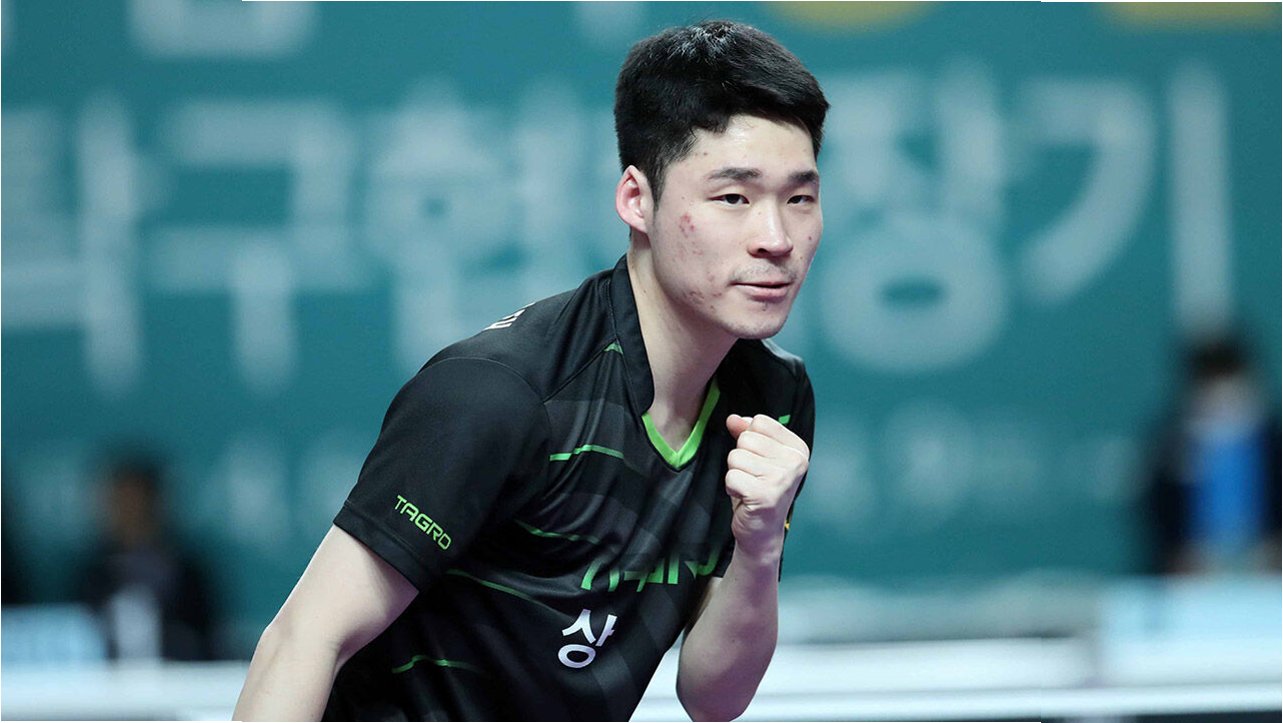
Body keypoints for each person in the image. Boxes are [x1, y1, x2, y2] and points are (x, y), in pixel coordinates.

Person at [235, 19, 827, 721]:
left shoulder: (772, 397)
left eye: (799, 198)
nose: (775, 238)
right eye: (733, 198)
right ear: (637, 200)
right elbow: (303, 638)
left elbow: (713, 698)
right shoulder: (501, 393)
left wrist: (758, 545)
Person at [77, 453, 219, 661]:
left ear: (154, 502)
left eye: (136, 500)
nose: (130, 510)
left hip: (178, 675)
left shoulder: (187, 572)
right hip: (104, 677)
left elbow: (208, 641)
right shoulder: (91, 573)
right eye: (121, 501)